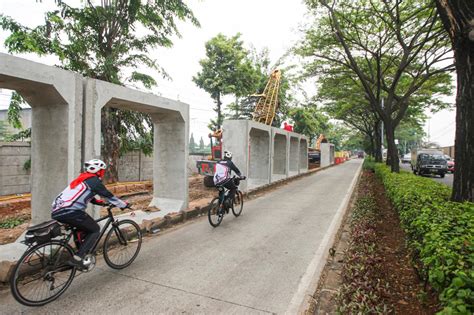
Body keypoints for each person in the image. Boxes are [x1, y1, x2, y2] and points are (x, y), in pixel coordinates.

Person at [51, 159, 128, 269]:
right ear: (98, 170)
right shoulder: (93, 180)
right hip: (70, 211)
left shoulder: (82, 179)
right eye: (102, 171)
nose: (103, 173)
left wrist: (100, 203)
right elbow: (107, 195)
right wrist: (123, 204)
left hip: (57, 211)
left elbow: (88, 196)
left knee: (82, 229)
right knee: (95, 229)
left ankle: (80, 256)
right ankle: (78, 258)